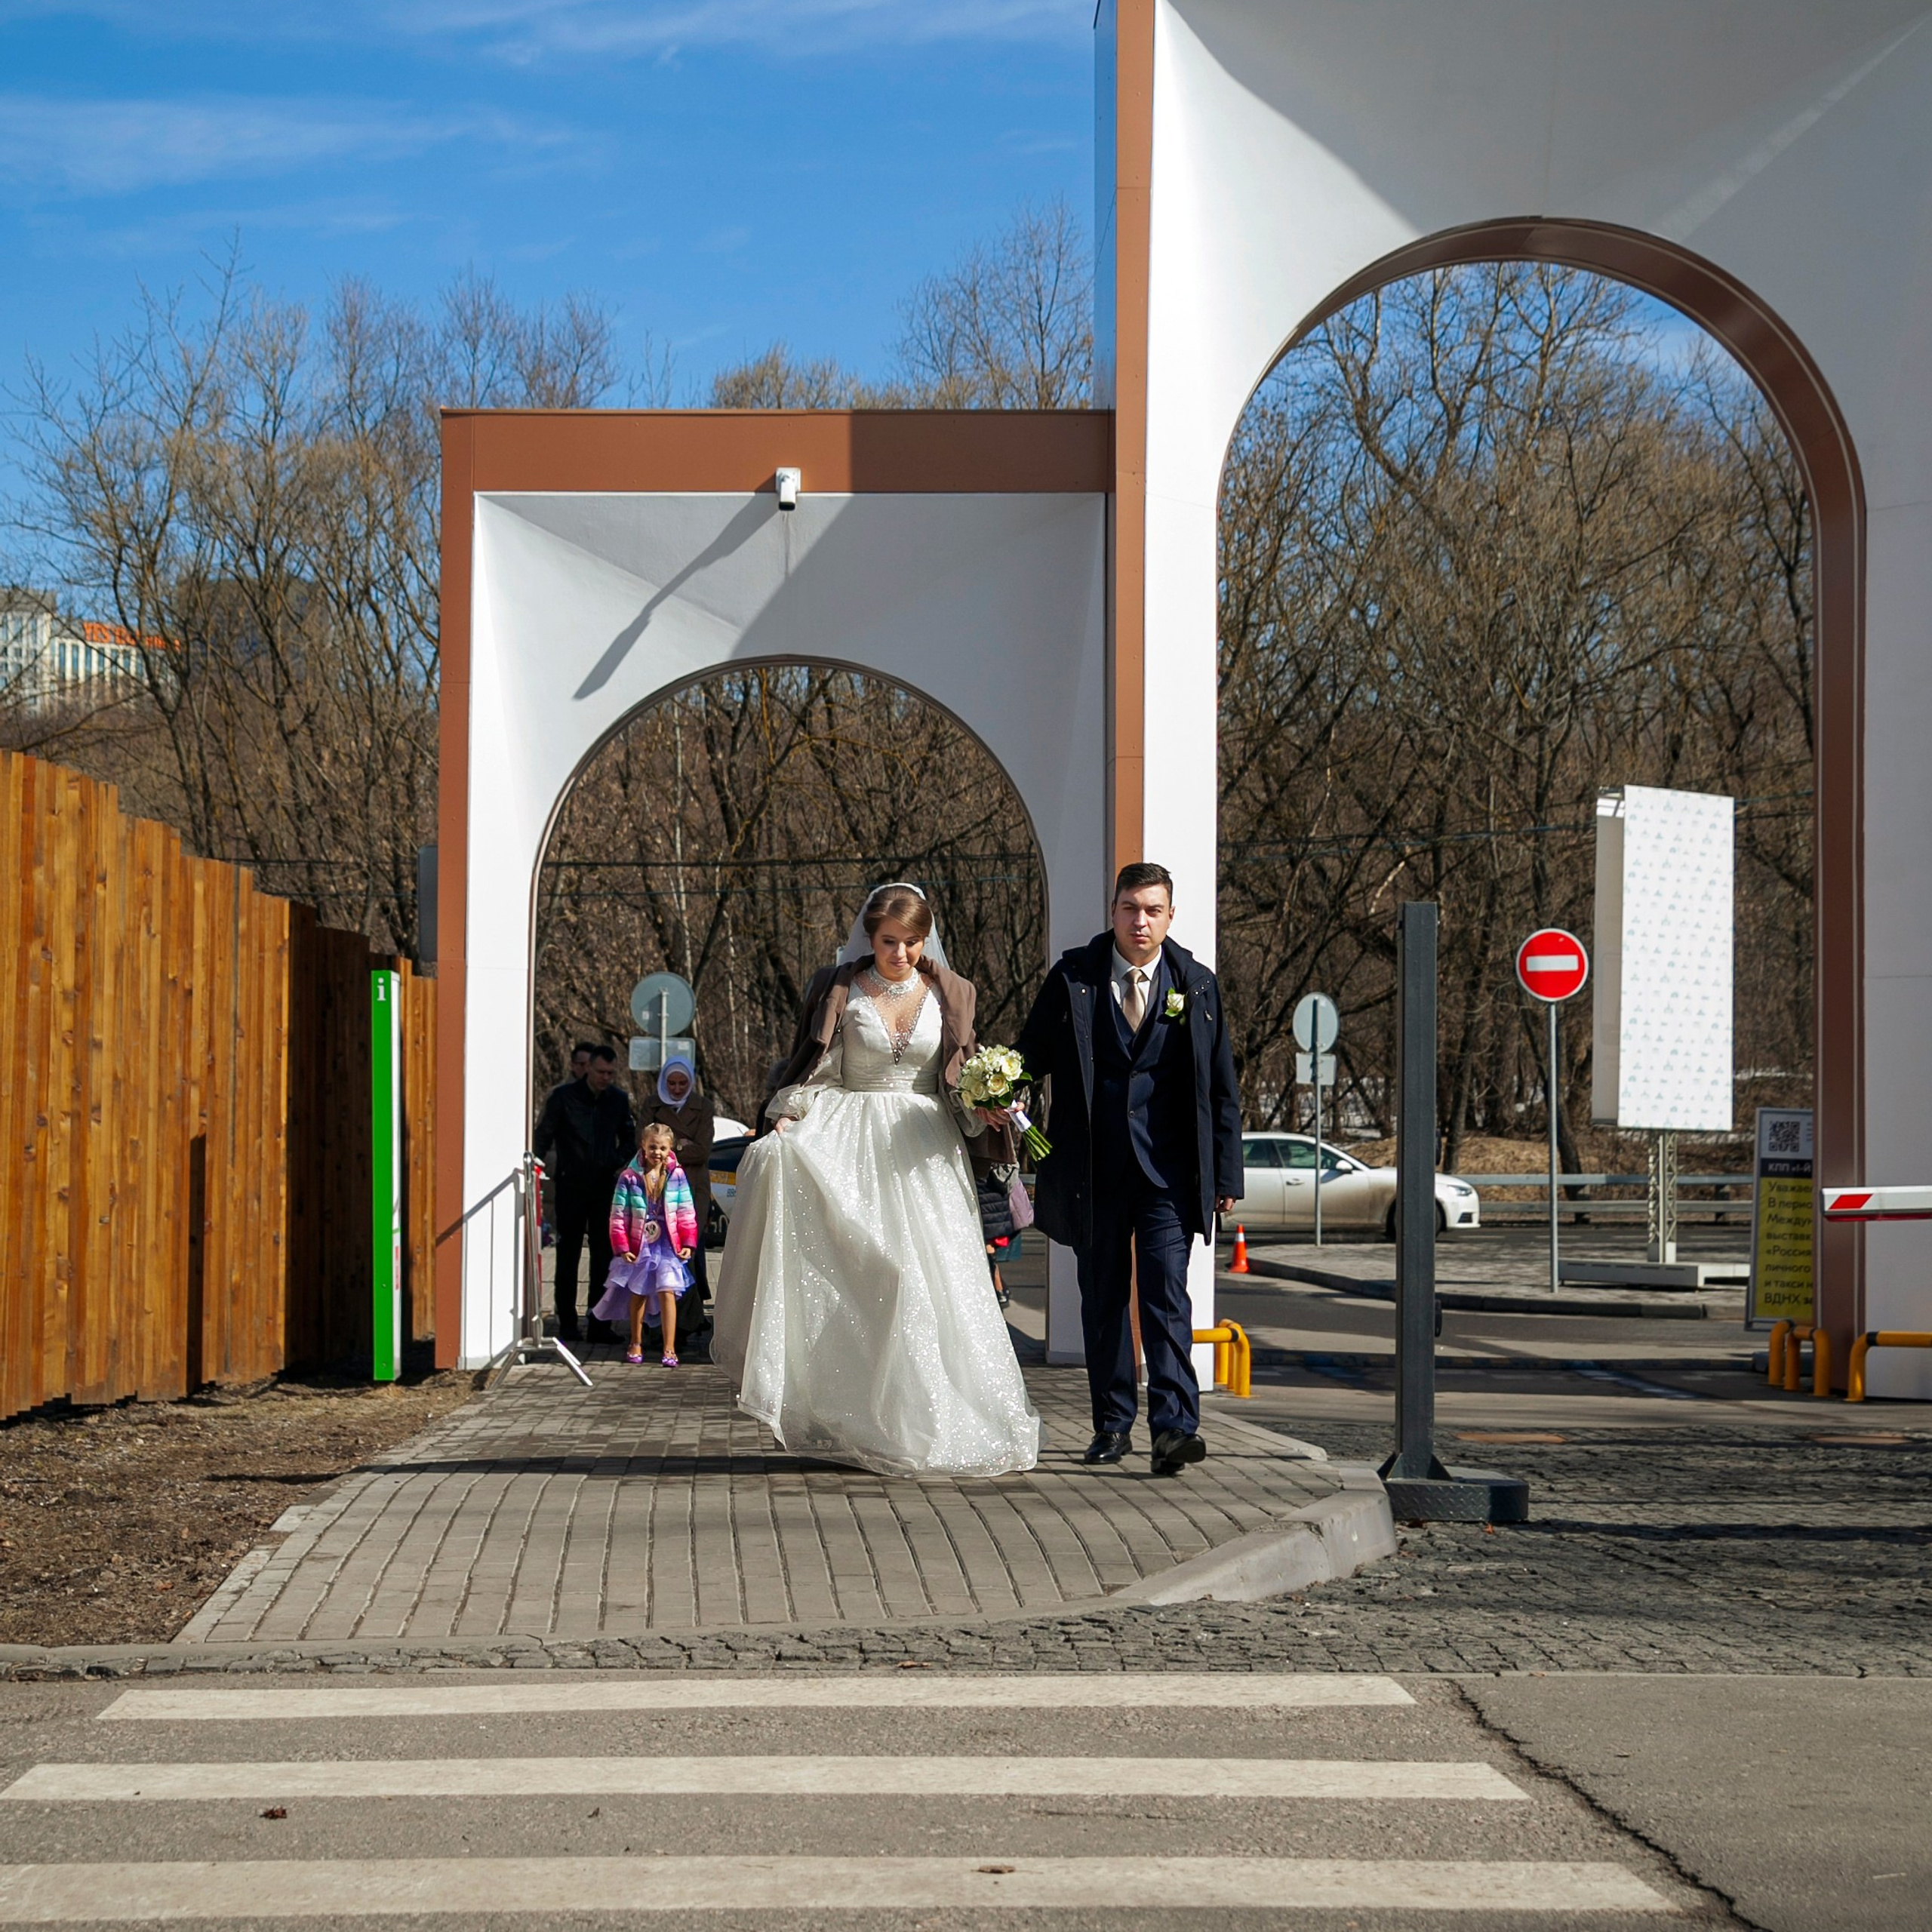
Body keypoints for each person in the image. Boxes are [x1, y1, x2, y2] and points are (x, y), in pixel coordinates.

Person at [712, 883, 1041, 1478]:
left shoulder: (951, 993)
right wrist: (791, 1114)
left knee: (928, 1282)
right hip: (850, 1139)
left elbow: (956, 1078)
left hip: (924, 1149)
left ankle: (924, 1422)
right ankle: (864, 1414)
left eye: (912, 942)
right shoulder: (838, 988)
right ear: (870, 937)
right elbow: (822, 1068)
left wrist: (985, 1106)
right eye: (890, 942)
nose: (902, 954)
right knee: (875, 1279)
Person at [1012, 862, 1242, 1477]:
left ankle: (1175, 1429)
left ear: (1170, 917)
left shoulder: (1195, 984)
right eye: (1129, 908)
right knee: (1105, 1300)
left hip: (1169, 1175)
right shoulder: (1074, 978)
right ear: (1112, 912)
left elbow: (1221, 1088)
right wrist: (1000, 1087)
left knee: (1167, 1297)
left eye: (1152, 910)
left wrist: (1225, 1176)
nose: (1140, 921)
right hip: (1094, 1170)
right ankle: (1112, 1425)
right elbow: (1029, 1054)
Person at [532, 1044, 636, 1343]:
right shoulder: (564, 1098)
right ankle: (566, 1323)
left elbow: (630, 1139)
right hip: (570, 1186)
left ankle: (599, 1323)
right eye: (601, 1072)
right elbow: (544, 1135)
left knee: (604, 1256)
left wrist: (614, 1163)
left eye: (611, 1073)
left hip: (604, 1187)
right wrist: (538, 1168)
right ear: (588, 1068)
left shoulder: (617, 1100)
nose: (605, 1077)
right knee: (568, 1256)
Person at [592, 1124, 698, 1367]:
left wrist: (689, 1242)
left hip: (668, 1242)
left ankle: (669, 1348)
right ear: (643, 1145)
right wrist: (621, 1246)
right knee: (638, 1290)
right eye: (652, 1147)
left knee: (668, 1291)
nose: (657, 1153)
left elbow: (686, 1211)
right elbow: (617, 1214)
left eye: (662, 1148)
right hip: (640, 1241)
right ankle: (636, 1341)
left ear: (670, 1148)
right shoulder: (629, 1177)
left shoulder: (677, 1175)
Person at [635, 1054, 716, 1345]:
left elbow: (703, 1151)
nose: (678, 1088)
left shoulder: (703, 1107)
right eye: (672, 1083)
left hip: (692, 1190)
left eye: (683, 1083)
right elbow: (644, 1148)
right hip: (657, 1188)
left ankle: (683, 1322)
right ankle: (671, 1322)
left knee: (686, 1253)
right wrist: (682, 1145)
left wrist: (669, 1148)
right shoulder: (651, 1105)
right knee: (660, 1254)